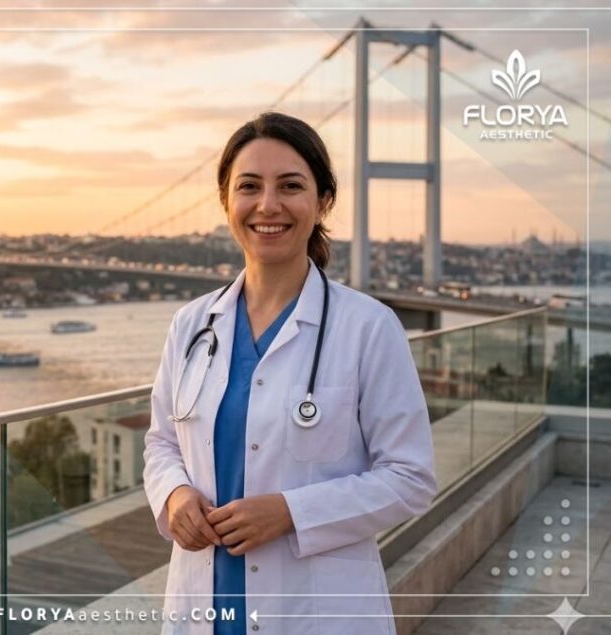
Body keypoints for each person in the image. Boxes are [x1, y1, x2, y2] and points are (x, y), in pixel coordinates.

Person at [143, 111, 437, 635]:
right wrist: (174, 494)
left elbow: (410, 478)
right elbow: (162, 442)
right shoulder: (191, 325)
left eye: (291, 186)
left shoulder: (369, 327)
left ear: (323, 201)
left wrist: (292, 512)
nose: (268, 205)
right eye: (249, 187)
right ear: (226, 202)